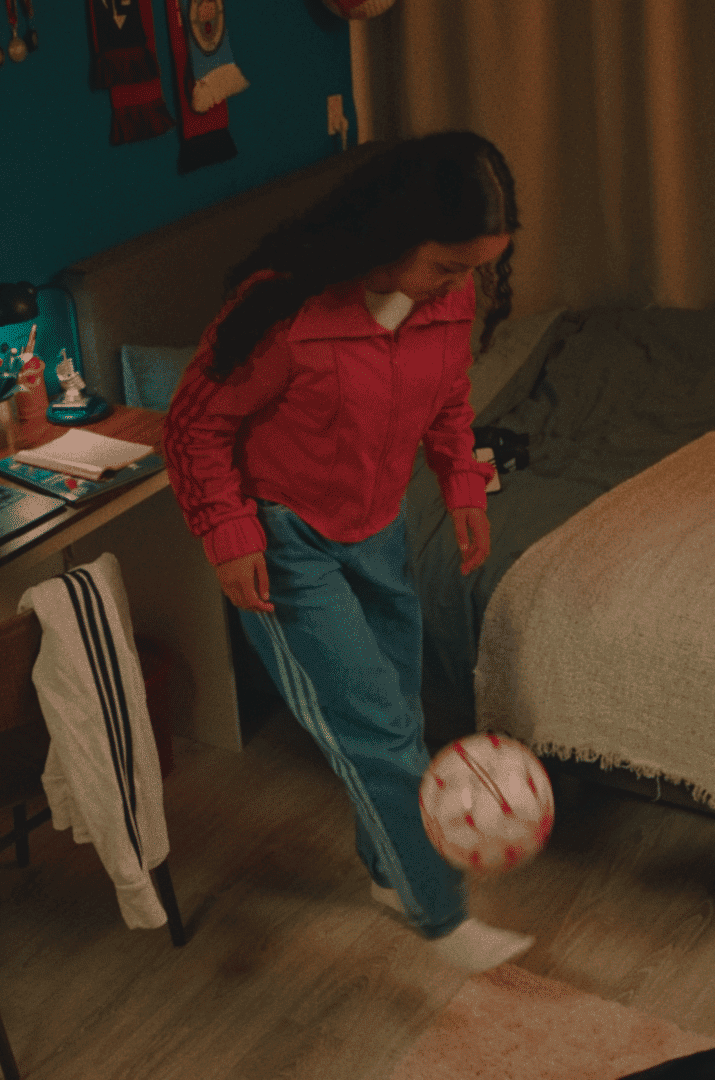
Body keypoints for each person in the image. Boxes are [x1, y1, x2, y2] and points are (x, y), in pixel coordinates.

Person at [163, 131, 531, 973]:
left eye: (476, 269)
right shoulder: (287, 313)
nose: (460, 287)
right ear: (394, 235)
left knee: (399, 712)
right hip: (289, 549)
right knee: (378, 734)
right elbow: (194, 425)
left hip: (378, 531)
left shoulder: (446, 301)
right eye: (447, 267)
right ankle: (442, 918)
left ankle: (386, 874)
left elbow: (448, 399)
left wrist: (462, 484)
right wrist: (228, 536)